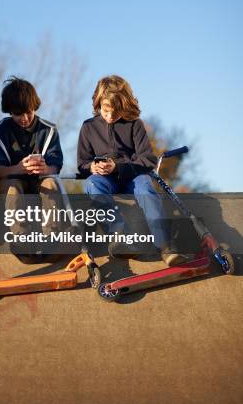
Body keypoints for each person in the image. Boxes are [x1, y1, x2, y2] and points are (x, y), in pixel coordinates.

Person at [77, 74, 187, 266]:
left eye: (116, 112)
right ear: (98, 103)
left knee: (146, 188)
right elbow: (82, 163)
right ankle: (120, 236)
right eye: (106, 111)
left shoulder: (134, 124)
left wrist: (118, 167)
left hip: (133, 176)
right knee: (92, 184)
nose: (110, 116)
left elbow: (148, 159)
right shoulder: (88, 127)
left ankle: (166, 247)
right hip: (104, 180)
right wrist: (92, 167)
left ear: (125, 106)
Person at [0, 77, 64, 262]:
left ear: (35, 107)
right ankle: (21, 239)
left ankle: (51, 238)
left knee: (51, 183)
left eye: (28, 112)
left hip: (40, 181)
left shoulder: (49, 130)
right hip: (11, 180)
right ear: (9, 111)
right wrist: (19, 168)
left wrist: (45, 168)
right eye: (18, 114)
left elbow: (56, 166)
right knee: (13, 187)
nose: (24, 118)